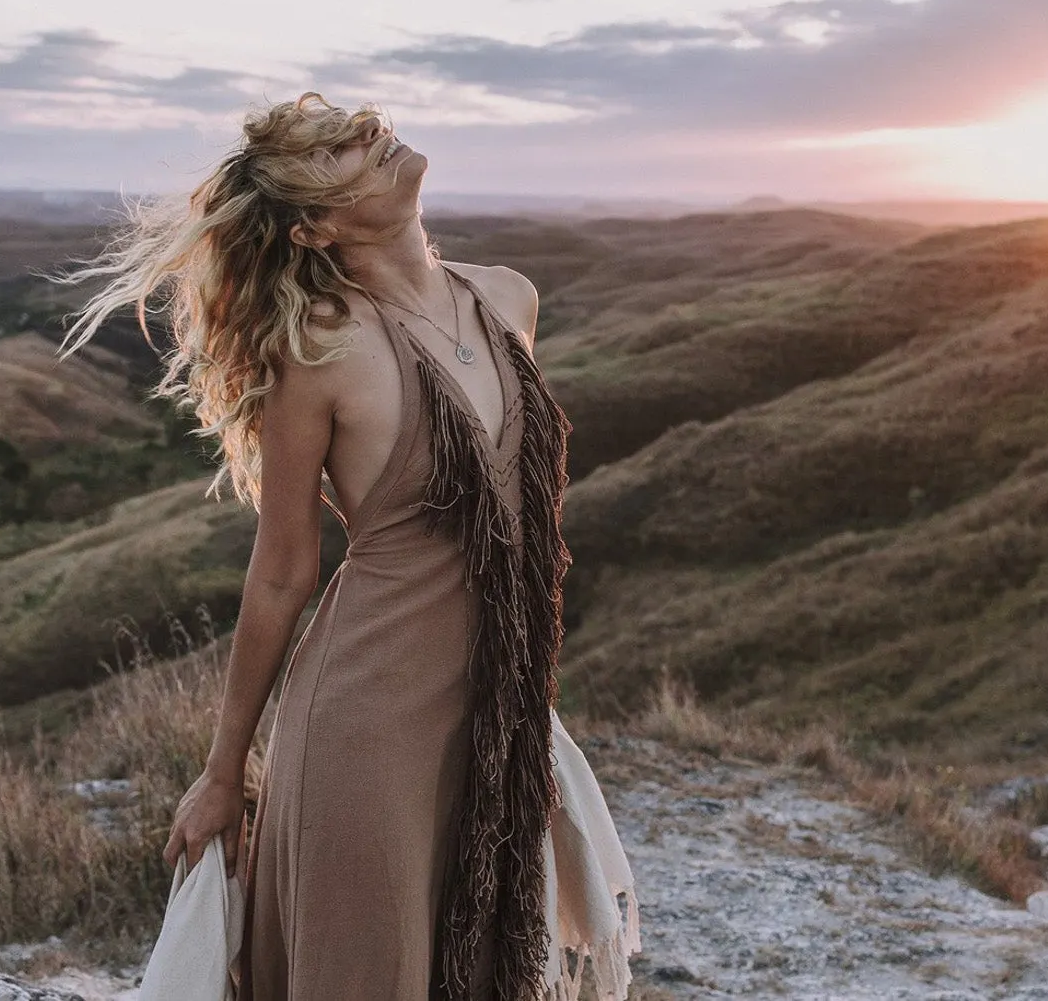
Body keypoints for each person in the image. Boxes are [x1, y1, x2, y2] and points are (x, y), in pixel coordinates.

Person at [59, 93, 628, 1001]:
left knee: (482, 965)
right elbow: (283, 569)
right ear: (316, 227)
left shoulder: (509, 297)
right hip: (366, 722)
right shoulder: (318, 355)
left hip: (497, 709)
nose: (367, 133)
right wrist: (222, 772)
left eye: (354, 127)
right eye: (331, 154)